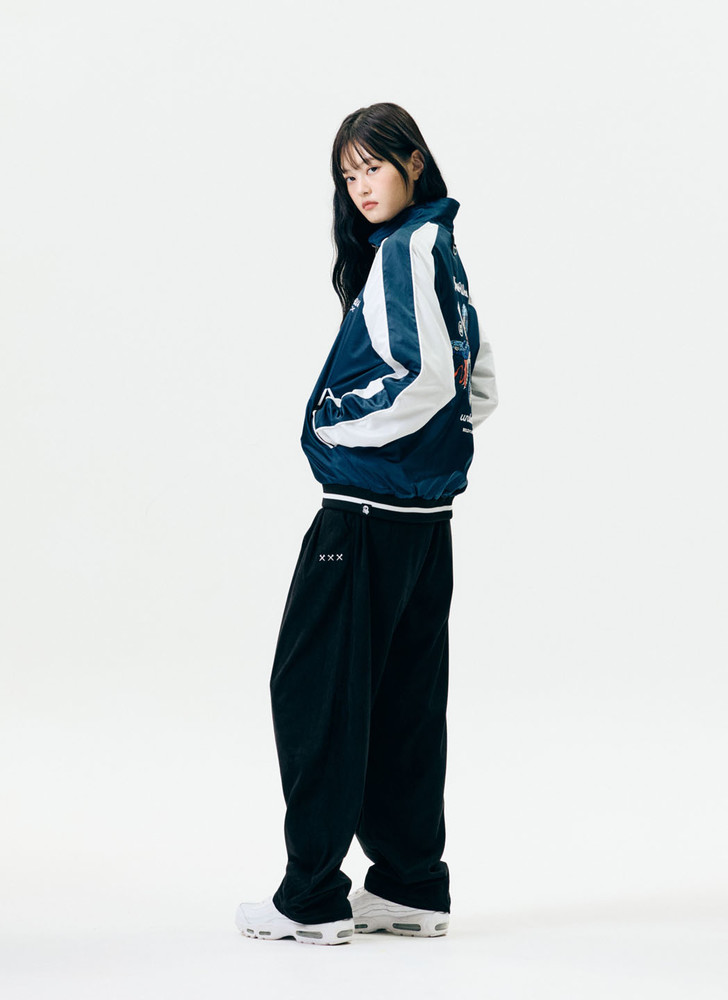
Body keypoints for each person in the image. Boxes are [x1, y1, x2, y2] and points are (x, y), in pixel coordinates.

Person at [235, 102, 498, 946]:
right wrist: (433, 443)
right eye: (347, 176)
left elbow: (424, 380)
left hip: (364, 516)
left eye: (372, 167)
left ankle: (310, 896)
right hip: (424, 521)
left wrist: (328, 426)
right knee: (404, 702)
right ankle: (410, 883)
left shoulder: (406, 250)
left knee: (313, 692)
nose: (359, 188)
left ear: (413, 161)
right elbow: (478, 386)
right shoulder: (442, 250)